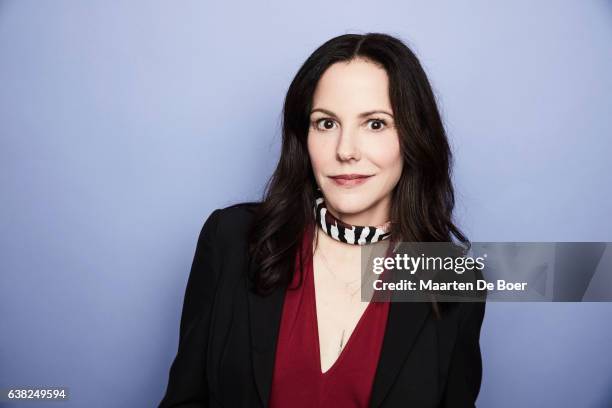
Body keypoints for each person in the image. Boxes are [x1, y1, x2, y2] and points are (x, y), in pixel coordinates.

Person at [158, 32, 486, 408]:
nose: (345, 150)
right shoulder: (231, 239)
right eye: (326, 123)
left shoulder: (450, 275)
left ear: (414, 136)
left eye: (375, 124)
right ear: (304, 135)